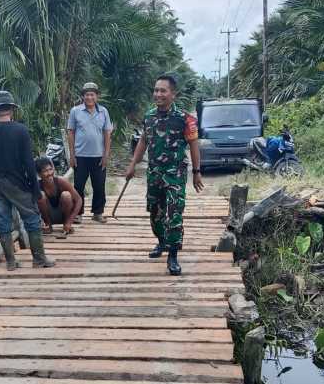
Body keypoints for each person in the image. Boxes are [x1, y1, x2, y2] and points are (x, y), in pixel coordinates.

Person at [124, 75, 204, 276]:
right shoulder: (149, 116)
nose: (158, 94)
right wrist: (133, 164)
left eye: (163, 91)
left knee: (174, 214)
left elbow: (194, 145)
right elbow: (143, 140)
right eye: (156, 90)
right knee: (155, 213)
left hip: (175, 174)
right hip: (154, 173)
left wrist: (196, 172)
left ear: (173, 94)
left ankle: (173, 255)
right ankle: (161, 242)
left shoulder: (185, 119)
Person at [0, 90, 55, 270]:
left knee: (2, 221)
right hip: (17, 183)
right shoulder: (20, 130)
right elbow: (28, 163)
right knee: (31, 218)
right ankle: (39, 259)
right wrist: (35, 189)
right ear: (12, 109)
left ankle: (11, 262)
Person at [67, 82, 113, 224]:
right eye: (87, 94)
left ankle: (97, 213)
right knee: (78, 186)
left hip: (98, 156)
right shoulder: (75, 111)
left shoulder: (103, 111)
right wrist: (72, 155)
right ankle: (78, 213)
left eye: (92, 94)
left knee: (99, 185)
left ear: (96, 96)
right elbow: (70, 132)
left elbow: (107, 133)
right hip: (80, 156)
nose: (89, 97)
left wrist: (106, 155)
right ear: (83, 96)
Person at [36, 156, 83, 235]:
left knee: (66, 195)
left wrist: (70, 221)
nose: (49, 173)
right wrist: (39, 222)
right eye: (45, 171)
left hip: (63, 214)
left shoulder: (61, 181)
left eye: (50, 169)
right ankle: (48, 225)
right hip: (48, 216)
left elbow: (79, 200)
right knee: (40, 195)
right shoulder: (37, 185)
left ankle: (66, 224)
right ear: (39, 174)